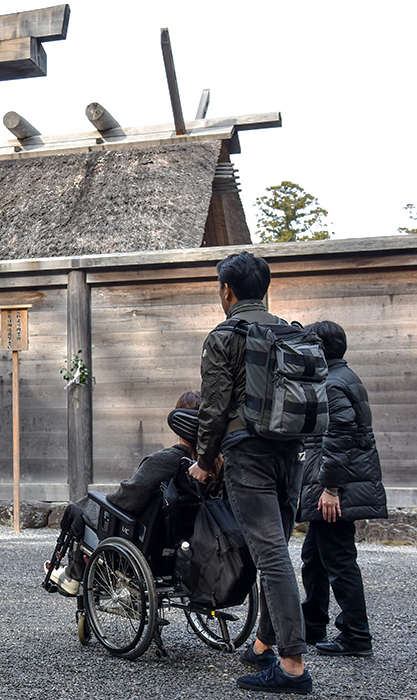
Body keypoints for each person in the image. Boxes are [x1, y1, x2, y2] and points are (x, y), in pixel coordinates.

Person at [188, 251, 312, 695]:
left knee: (270, 555)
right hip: (291, 451)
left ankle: (293, 665)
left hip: (248, 454)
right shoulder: (288, 331)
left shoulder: (224, 335)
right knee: (275, 549)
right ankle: (263, 643)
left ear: (227, 290)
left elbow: (214, 407)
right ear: (266, 289)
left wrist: (204, 462)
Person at [49, 390, 208, 596]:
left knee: (79, 507)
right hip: (181, 544)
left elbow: (127, 498)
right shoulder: (211, 467)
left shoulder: (166, 461)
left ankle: (73, 573)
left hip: (141, 539)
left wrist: (108, 501)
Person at [298, 320, 387, 657]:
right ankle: (313, 625)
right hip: (334, 485)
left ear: (319, 350)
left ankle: (356, 637)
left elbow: (339, 439)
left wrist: (331, 488)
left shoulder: (333, 385)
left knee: (339, 560)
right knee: (314, 559)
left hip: (335, 489)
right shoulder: (341, 378)